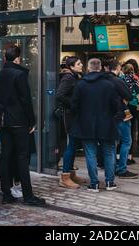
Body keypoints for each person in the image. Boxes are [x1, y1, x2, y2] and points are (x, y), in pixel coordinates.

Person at [0, 45, 45, 206]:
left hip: (3, 120)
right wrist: (32, 121)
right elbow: (25, 100)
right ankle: (28, 196)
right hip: (19, 121)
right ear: (17, 58)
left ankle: (6, 193)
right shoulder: (20, 74)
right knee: (22, 157)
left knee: (5, 156)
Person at [71, 58, 119, 192]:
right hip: (106, 123)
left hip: (86, 124)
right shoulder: (109, 84)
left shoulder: (81, 84)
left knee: (90, 154)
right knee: (109, 153)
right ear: (101, 68)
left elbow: (74, 105)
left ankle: (94, 184)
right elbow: (116, 105)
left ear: (88, 68)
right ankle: (110, 182)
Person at [104, 59, 137, 179]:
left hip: (107, 115)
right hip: (120, 114)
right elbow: (128, 95)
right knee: (127, 141)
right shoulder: (117, 80)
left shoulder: (102, 80)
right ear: (117, 68)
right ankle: (122, 169)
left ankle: (111, 168)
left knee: (112, 143)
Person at [56, 56, 84, 189]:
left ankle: (71, 174)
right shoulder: (68, 78)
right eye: (78, 63)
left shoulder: (76, 76)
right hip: (70, 116)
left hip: (75, 115)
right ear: (72, 67)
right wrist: (73, 104)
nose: (81, 65)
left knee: (74, 144)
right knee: (71, 145)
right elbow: (60, 95)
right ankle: (65, 176)